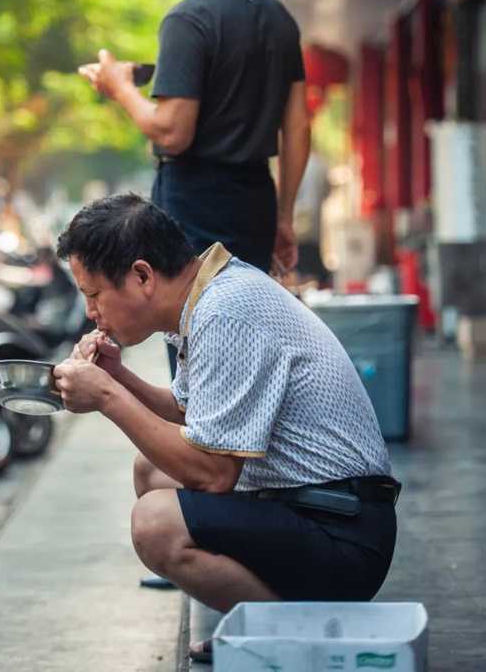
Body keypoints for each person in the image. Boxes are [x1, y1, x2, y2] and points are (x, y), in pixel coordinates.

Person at [53, 195, 399, 664]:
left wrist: (108, 398)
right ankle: (261, 617)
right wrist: (119, 377)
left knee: (155, 523)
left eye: (93, 294)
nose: (92, 312)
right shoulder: (210, 297)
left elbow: (214, 474)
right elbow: (188, 414)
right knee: (151, 471)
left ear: (141, 276)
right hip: (313, 506)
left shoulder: (226, 312)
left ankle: (283, 631)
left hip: (344, 531)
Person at [78, 0, 311, 282]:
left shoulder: (188, 19)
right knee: (246, 332)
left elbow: (172, 132)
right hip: (257, 199)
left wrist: (120, 88)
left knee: (197, 333)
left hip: (197, 210)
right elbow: (297, 127)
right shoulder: (277, 16)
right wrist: (283, 217)